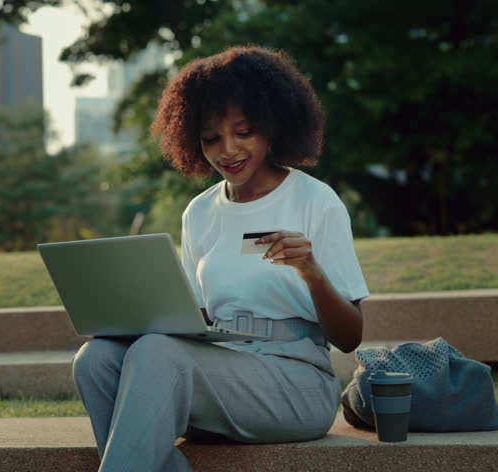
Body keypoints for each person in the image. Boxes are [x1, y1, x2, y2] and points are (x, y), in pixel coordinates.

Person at [72, 45, 370, 471]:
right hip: (219, 369)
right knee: (96, 360)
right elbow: (195, 319)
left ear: (272, 126)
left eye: (243, 131)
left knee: (157, 353)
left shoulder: (316, 202)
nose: (227, 150)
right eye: (211, 138)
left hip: (295, 383)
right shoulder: (200, 212)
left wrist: (312, 274)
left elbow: (350, 337)